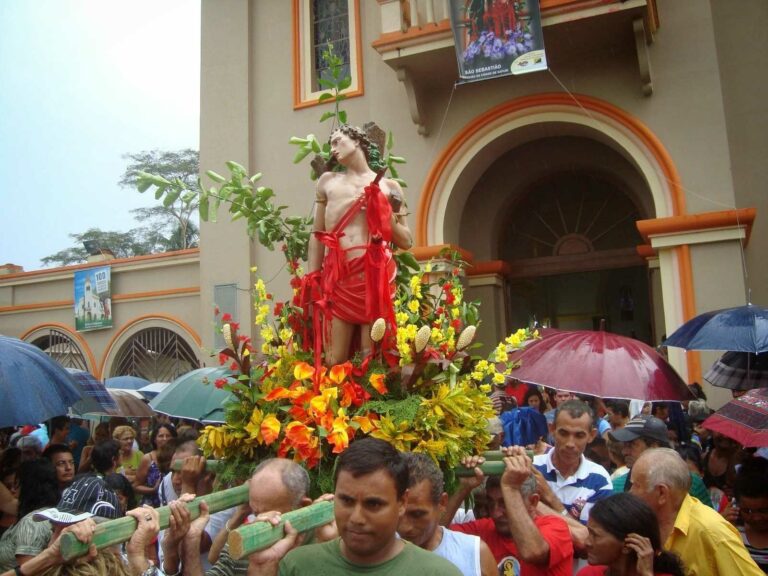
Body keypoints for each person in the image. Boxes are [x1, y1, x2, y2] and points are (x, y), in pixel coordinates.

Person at [246, 438, 462, 575]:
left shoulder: (438, 573)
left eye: (373, 504)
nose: (357, 518)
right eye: (346, 501)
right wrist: (262, 568)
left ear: (402, 503)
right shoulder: (297, 566)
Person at [307, 124, 413, 365]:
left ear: (356, 141)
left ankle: (373, 389)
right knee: (334, 358)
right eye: (331, 145)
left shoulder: (390, 187)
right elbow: (317, 234)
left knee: (372, 356)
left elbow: (407, 241)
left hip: (375, 276)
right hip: (339, 276)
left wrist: (384, 214)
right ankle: (335, 391)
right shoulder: (327, 182)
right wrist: (312, 278)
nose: (333, 149)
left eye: (337, 141)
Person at [628, 447, 762, 575]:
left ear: (662, 493)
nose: (630, 492)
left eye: (636, 485)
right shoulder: (641, 525)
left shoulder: (712, 533)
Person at [171, 457, 312, 576]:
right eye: (255, 513)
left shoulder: (318, 552)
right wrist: (192, 540)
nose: (260, 521)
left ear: (302, 507)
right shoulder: (246, 537)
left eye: (270, 514)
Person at [448, 447, 573, 575]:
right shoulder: (484, 528)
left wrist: (511, 488)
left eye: (505, 503)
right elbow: (437, 536)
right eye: (491, 502)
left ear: (533, 502)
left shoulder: (556, 527)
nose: (495, 513)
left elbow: (532, 551)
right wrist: (463, 488)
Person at [398, 452, 497, 575]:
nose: (405, 527)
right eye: (398, 513)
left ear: (442, 503)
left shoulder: (474, 554)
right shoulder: (377, 553)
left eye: (417, 514)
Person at [532, 399, 613, 550]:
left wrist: (549, 497)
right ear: (552, 429)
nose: (570, 443)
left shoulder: (599, 479)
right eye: (564, 433)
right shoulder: (531, 467)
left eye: (579, 436)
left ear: (592, 435)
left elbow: (590, 543)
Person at [609, 415, 712, 507]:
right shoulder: (617, 486)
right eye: (625, 445)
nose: (624, 452)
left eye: (632, 445)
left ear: (654, 447)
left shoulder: (690, 483)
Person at [578, 492, 685, 576]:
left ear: (627, 545)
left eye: (595, 535)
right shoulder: (589, 573)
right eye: (589, 533)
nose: (587, 542)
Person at [0, 459, 60, 571]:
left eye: (17, 484)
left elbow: (29, 571)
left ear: (27, 486)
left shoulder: (32, 522)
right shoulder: (52, 512)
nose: (13, 489)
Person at [722, 456, 768, 572]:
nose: (756, 518)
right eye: (747, 511)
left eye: (763, 511)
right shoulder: (732, 527)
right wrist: (722, 527)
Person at [134, 423, 177, 507]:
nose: (164, 439)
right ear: (154, 439)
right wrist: (153, 490)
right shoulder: (148, 458)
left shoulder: (177, 456)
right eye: (161, 436)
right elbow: (136, 486)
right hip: (151, 506)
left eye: (168, 436)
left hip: (172, 503)